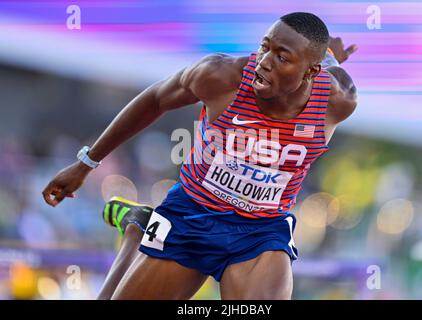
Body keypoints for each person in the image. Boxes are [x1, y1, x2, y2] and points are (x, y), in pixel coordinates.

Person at [42, 12, 358, 300]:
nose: (264, 62)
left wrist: (331, 54)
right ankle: (136, 230)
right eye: (265, 47)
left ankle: (139, 231)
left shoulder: (337, 101)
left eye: (282, 57)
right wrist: (86, 163)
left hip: (260, 232)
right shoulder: (222, 77)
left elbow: (329, 65)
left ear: (311, 71)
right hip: (192, 215)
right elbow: (155, 99)